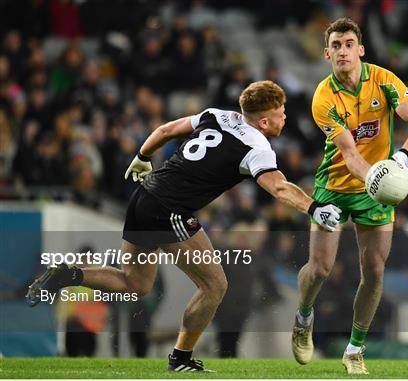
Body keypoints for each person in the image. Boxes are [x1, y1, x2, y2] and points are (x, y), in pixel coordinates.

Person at [26, 80, 341, 372]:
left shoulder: (217, 115)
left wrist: (142, 155)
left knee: (135, 284)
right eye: (280, 114)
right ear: (263, 121)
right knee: (215, 285)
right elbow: (279, 187)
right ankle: (181, 358)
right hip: (169, 209)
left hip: (144, 196)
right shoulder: (257, 148)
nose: (284, 118)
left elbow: (165, 130)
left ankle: (68, 274)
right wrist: (314, 208)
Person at [291, 18, 408, 374]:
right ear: (327, 53)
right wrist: (379, 177)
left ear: (360, 49)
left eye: (348, 43)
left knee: (374, 270)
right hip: (336, 186)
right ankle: (303, 316)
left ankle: (355, 349)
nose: (342, 51)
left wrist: (402, 156)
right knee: (320, 269)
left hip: (376, 188)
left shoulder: (384, 80)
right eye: (336, 45)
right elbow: (349, 154)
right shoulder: (324, 96)